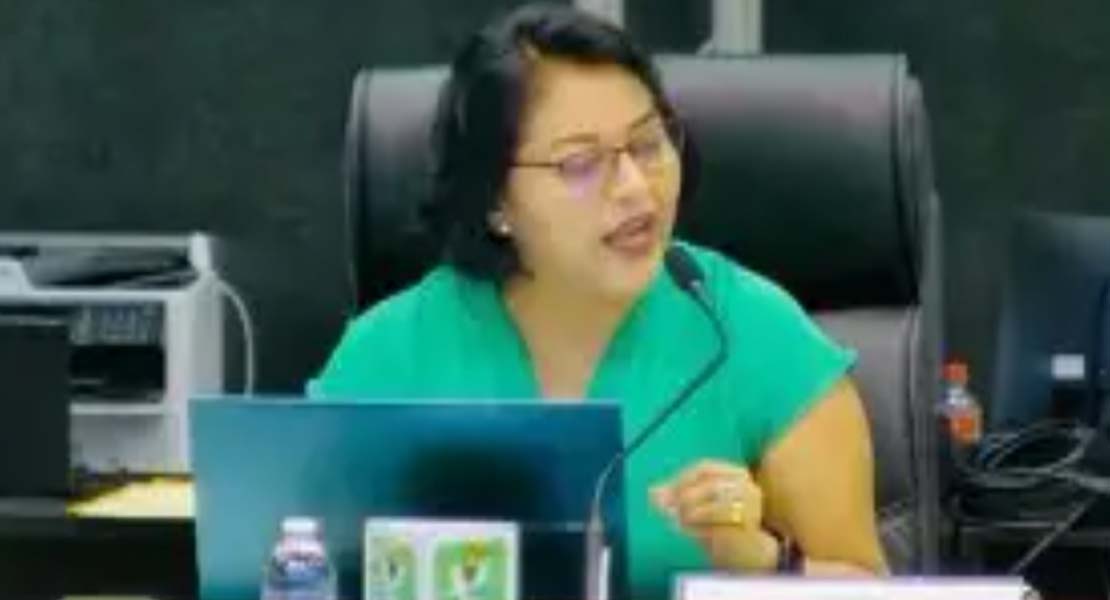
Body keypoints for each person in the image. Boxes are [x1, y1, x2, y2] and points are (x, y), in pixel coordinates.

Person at [309, 3, 887, 598]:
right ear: (496, 201)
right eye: (580, 164)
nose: (637, 188)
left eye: (648, 144)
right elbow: (299, 568)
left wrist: (764, 561)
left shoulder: (751, 335)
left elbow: (871, 589)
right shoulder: (388, 355)